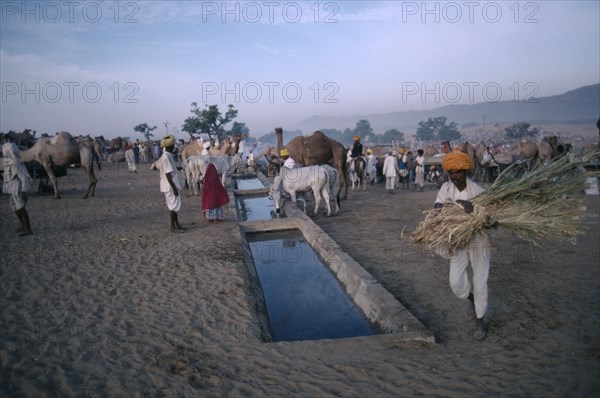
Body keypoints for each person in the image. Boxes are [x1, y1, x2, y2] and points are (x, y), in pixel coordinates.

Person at [434, 149, 490, 341]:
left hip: (478, 240)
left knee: (480, 281)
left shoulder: (478, 191)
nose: (454, 176)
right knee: (456, 282)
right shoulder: (446, 189)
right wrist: (450, 207)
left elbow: (490, 218)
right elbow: (437, 207)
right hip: (457, 240)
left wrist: (474, 209)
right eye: (451, 172)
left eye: (458, 172)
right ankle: (472, 300)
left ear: (466, 171)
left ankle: (480, 322)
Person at [151, 134, 186, 233]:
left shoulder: (168, 156)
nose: (174, 147)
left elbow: (171, 169)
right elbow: (167, 174)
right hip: (170, 185)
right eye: (173, 145)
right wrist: (173, 188)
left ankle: (177, 224)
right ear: (170, 146)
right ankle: (173, 227)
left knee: (174, 206)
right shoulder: (166, 157)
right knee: (173, 206)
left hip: (171, 184)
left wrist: (179, 167)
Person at [2, 142, 33, 236]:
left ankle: (28, 229)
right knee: (14, 207)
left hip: (19, 189)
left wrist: (23, 191)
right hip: (13, 188)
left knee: (21, 208)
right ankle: (22, 225)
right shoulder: (10, 161)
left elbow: (23, 177)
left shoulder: (15, 163)